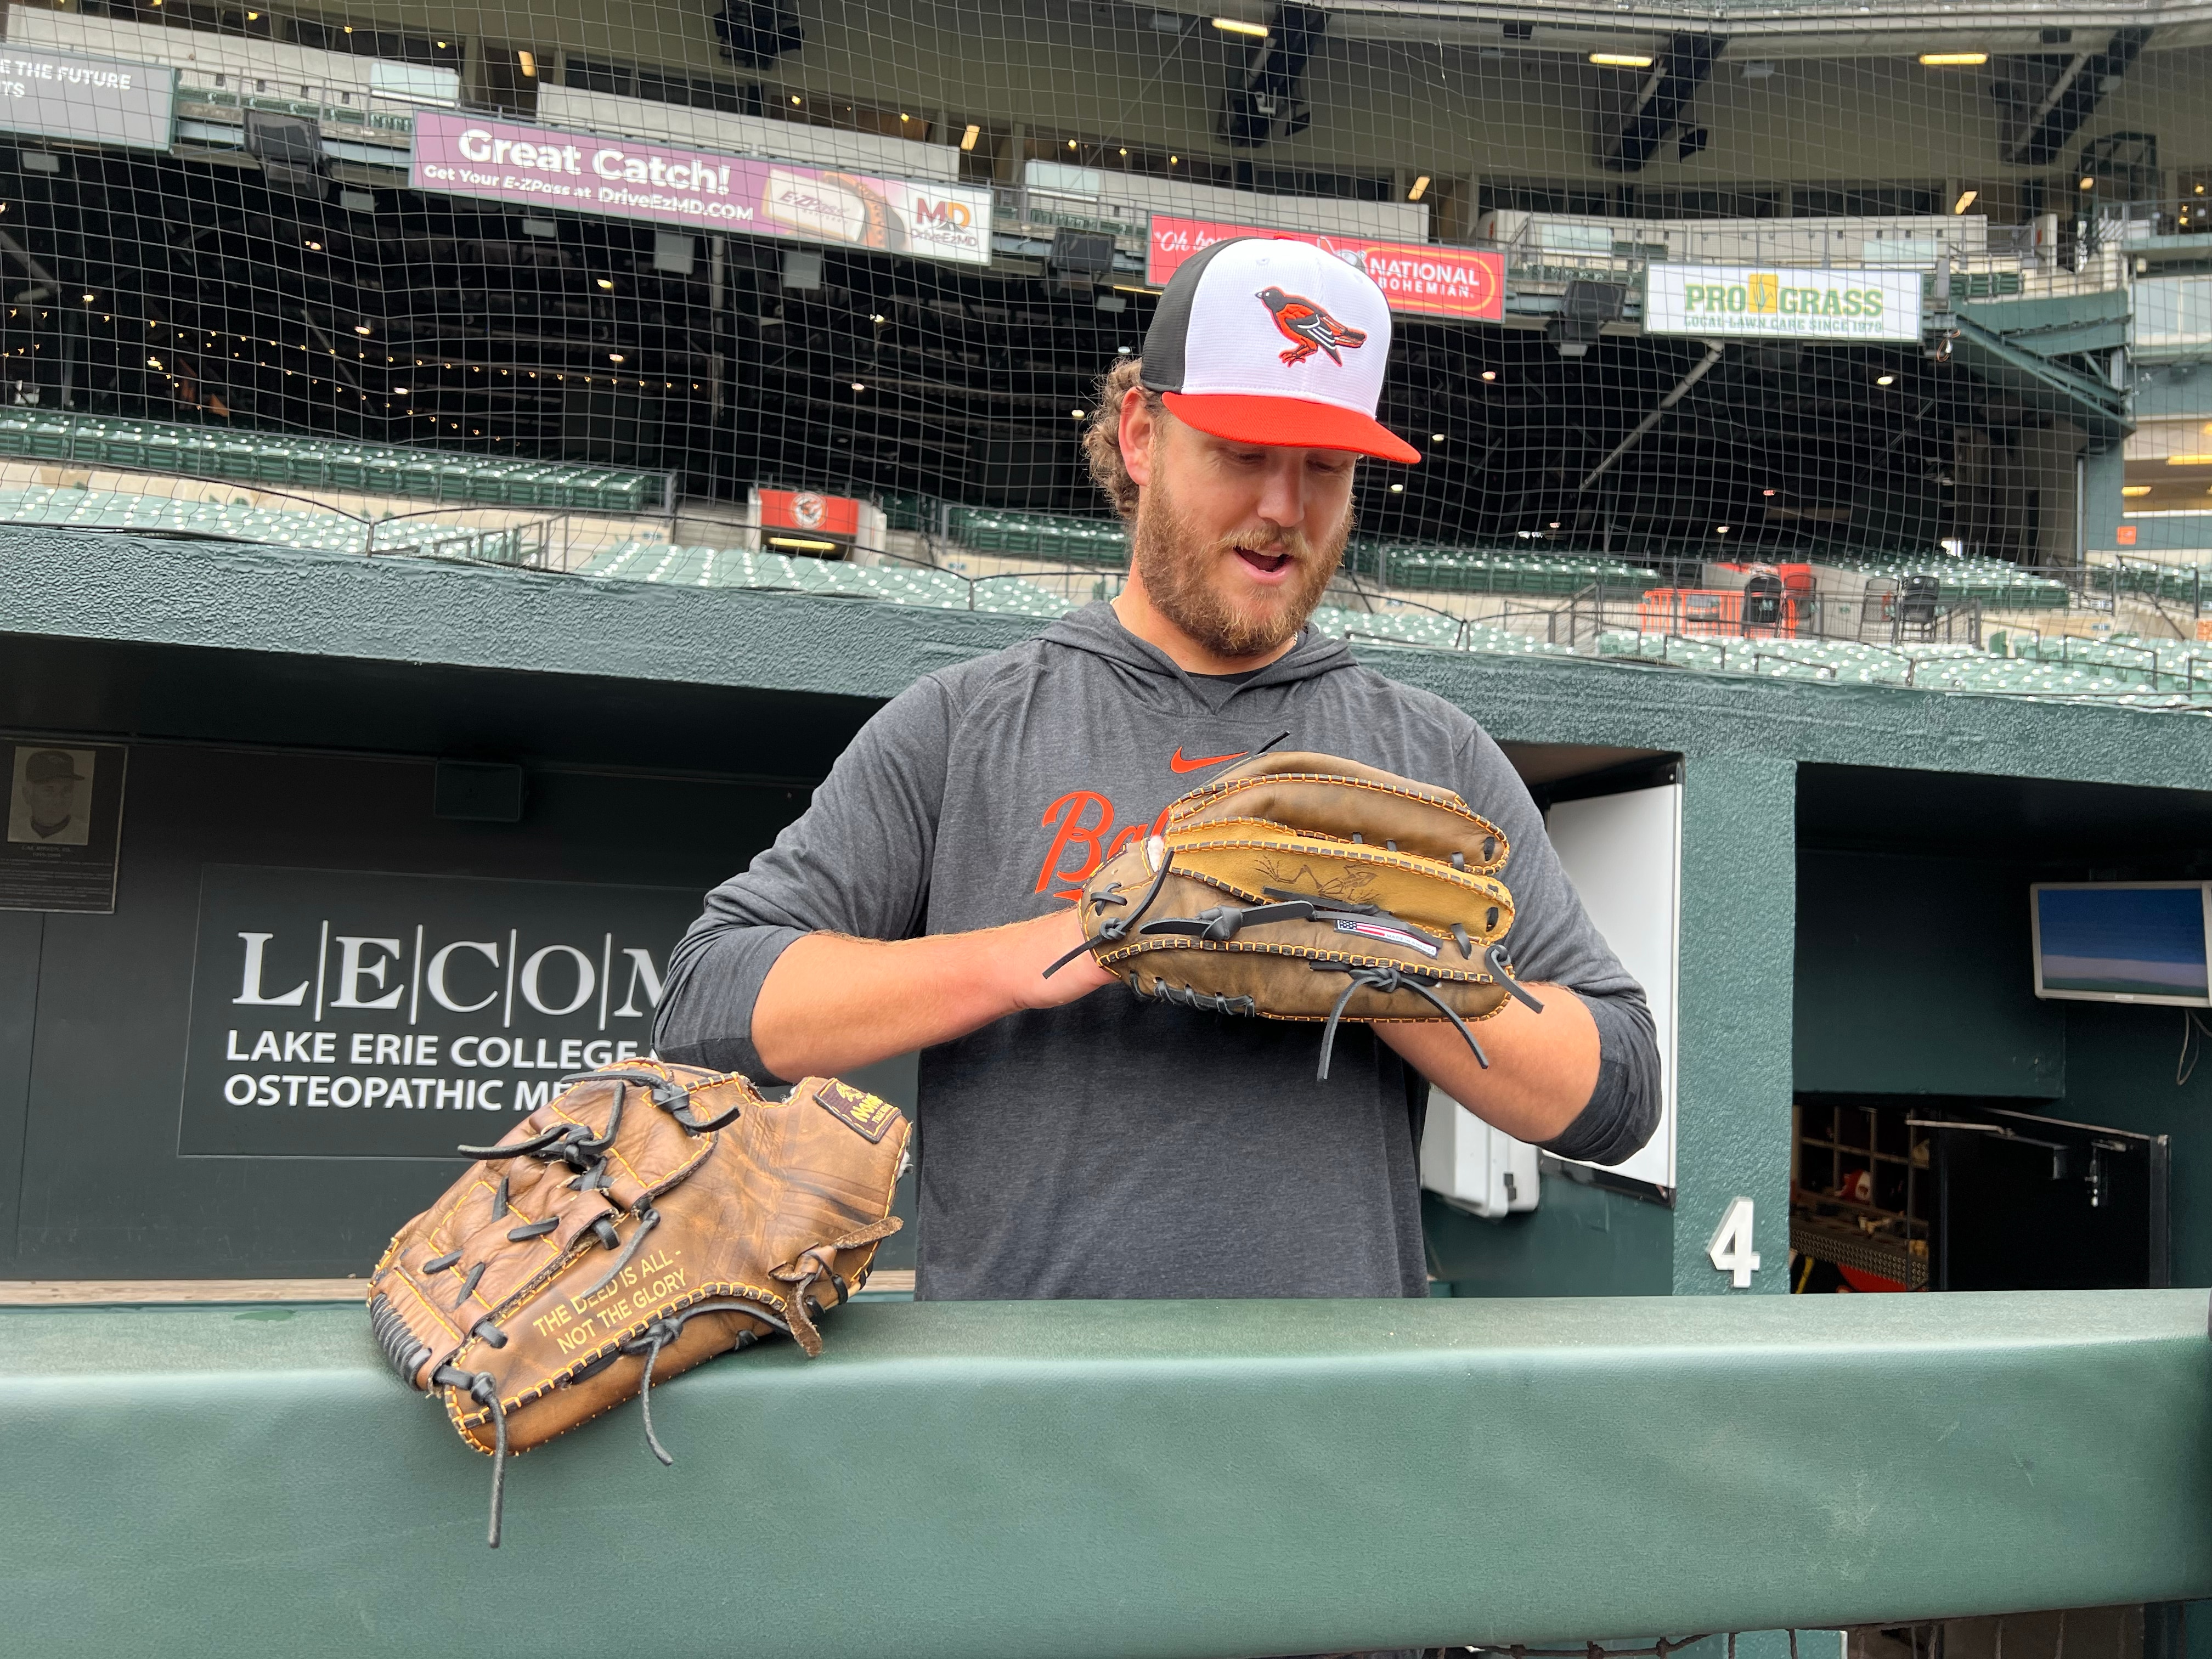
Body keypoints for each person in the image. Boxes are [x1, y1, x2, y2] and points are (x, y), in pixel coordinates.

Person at [655, 236, 1658, 1303]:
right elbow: (711, 995)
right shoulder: (962, 724)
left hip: (1332, 1400)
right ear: (1142, 432)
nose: (1285, 508)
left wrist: (1378, 963)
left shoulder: (1433, 752)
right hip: (1022, 1397)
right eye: (1243, 451)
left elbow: (1618, 1092)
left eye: (1325, 466)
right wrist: (1060, 946)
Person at [10, 748, 89, 845]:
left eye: (66, 791)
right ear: (27, 795)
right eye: (48, 791)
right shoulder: (13, 831)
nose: (58, 801)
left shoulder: (85, 834)